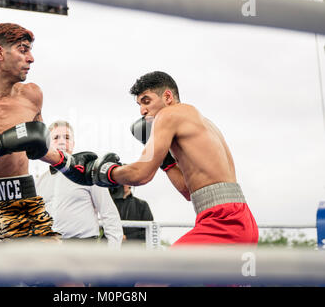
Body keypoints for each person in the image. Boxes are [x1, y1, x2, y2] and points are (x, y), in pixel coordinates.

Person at [0, 23, 97, 243]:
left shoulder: (33, 95)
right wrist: (1, 144)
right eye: (23, 50)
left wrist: (70, 164)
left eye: (30, 51)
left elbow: (38, 146)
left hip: (23, 199)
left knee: (63, 274)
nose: (31, 58)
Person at [88, 71, 259, 246]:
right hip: (239, 219)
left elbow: (141, 174)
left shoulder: (168, 115)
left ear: (167, 97)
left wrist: (105, 171)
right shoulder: (200, 121)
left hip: (224, 221)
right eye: (139, 104)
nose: (142, 110)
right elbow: (188, 191)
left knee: (167, 269)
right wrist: (166, 161)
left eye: (146, 101)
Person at [36, 121, 123, 248]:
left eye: (67, 137)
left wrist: (113, 255)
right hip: (49, 250)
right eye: (55, 137)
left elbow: (109, 215)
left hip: (84, 248)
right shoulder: (41, 181)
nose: (61, 142)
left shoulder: (89, 174)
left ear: (73, 143)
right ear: (48, 144)